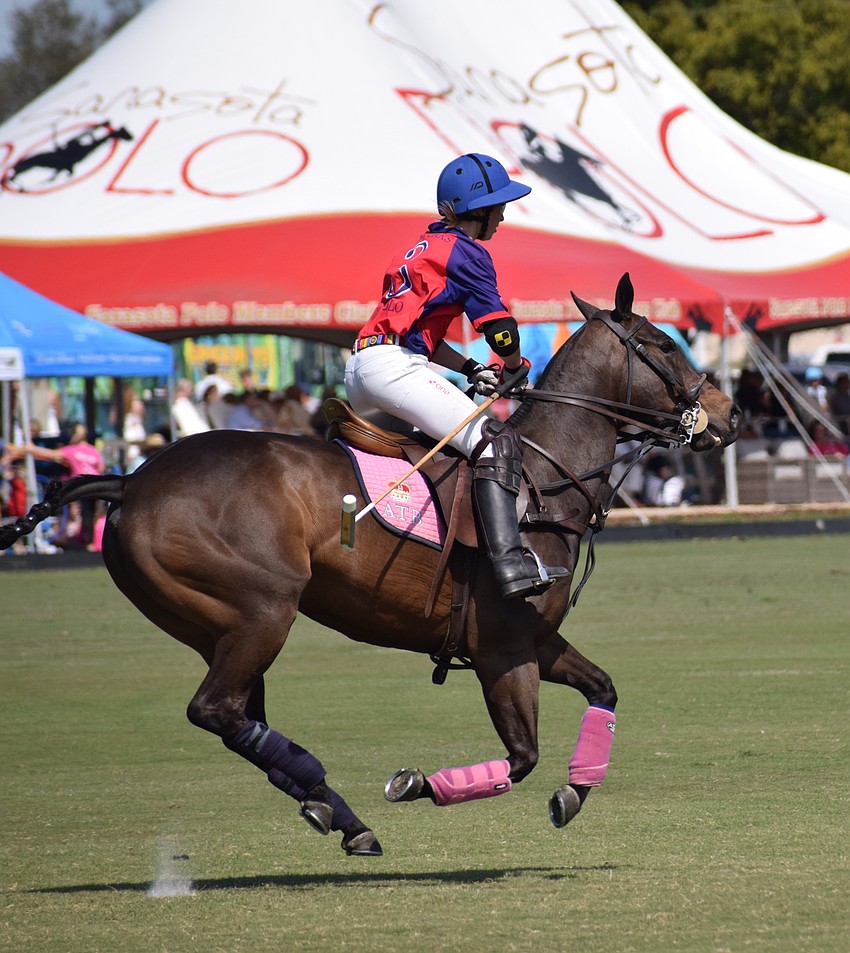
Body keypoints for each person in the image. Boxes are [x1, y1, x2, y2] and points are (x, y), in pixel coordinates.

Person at [344, 152, 568, 599]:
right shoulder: (468, 252)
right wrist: (513, 365)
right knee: (495, 440)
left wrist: (469, 368)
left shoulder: (416, 249)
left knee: (429, 456)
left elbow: (417, 335)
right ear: (477, 209)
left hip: (362, 368)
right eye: (498, 207)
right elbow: (499, 327)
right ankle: (510, 566)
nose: (502, 216)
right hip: (394, 369)